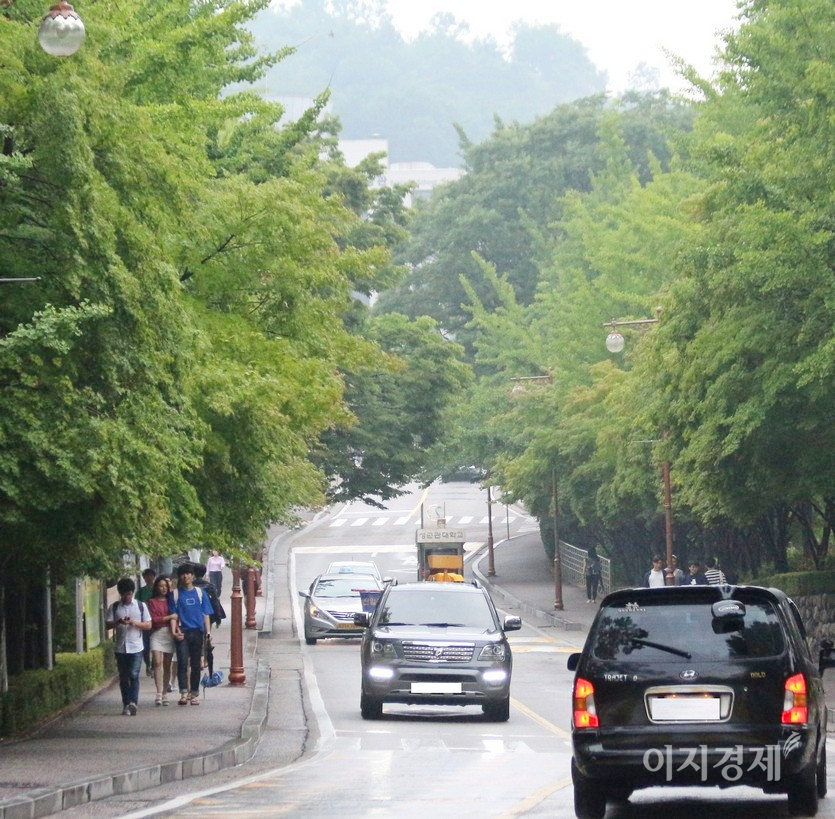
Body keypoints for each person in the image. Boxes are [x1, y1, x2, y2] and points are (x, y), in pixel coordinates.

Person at [106, 577, 152, 716]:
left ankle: (133, 702)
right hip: (121, 647)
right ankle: (126, 703)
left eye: (129, 594)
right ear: (120, 593)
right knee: (124, 677)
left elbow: (148, 625)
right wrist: (118, 622)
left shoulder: (140, 606)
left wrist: (134, 623)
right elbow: (107, 624)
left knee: (134, 674)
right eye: (124, 594)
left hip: (136, 646)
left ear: (132, 592)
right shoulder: (114, 607)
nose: (127, 597)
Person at [171, 563, 214, 705]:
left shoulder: (200, 593)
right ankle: (184, 692)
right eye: (183, 574)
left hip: (197, 632)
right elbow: (173, 615)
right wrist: (175, 631)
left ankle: (194, 694)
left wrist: (208, 632)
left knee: (196, 664)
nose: (186, 576)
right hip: (182, 632)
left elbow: (206, 614)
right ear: (179, 577)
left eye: (188, 573)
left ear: (193, 576)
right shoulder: (175, 594)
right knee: (182, 662)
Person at [147, 575, 177, 706]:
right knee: (157, 662)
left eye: (165, 586)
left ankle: (165, 692)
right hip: (156, 633)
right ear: (156, 587)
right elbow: (154, 619)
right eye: (160, 586)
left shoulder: (171, 601)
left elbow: (176, 617)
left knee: (167, 664)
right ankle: (158, 692)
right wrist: (169, 617)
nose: (163, 588)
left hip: (169, 633)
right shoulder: (151, 602)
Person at [136, 568, 156, 677]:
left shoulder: (157, 590)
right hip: (145, 621)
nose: (148, 578)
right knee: (146, 646)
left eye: (150, 576)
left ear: (154, 577)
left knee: (155, 646)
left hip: (155, 621)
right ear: (144, 577)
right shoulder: (140, 592)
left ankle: (153, 667)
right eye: (146, 576)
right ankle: (148, 664)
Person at [193, 563, 226, 628]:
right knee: (207, 630)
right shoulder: (209, 586)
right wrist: (218, 617)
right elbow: (215, 602)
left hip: (194, 613)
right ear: (204, 572)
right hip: (207, 613)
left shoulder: (190, 586)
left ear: (193, 573)